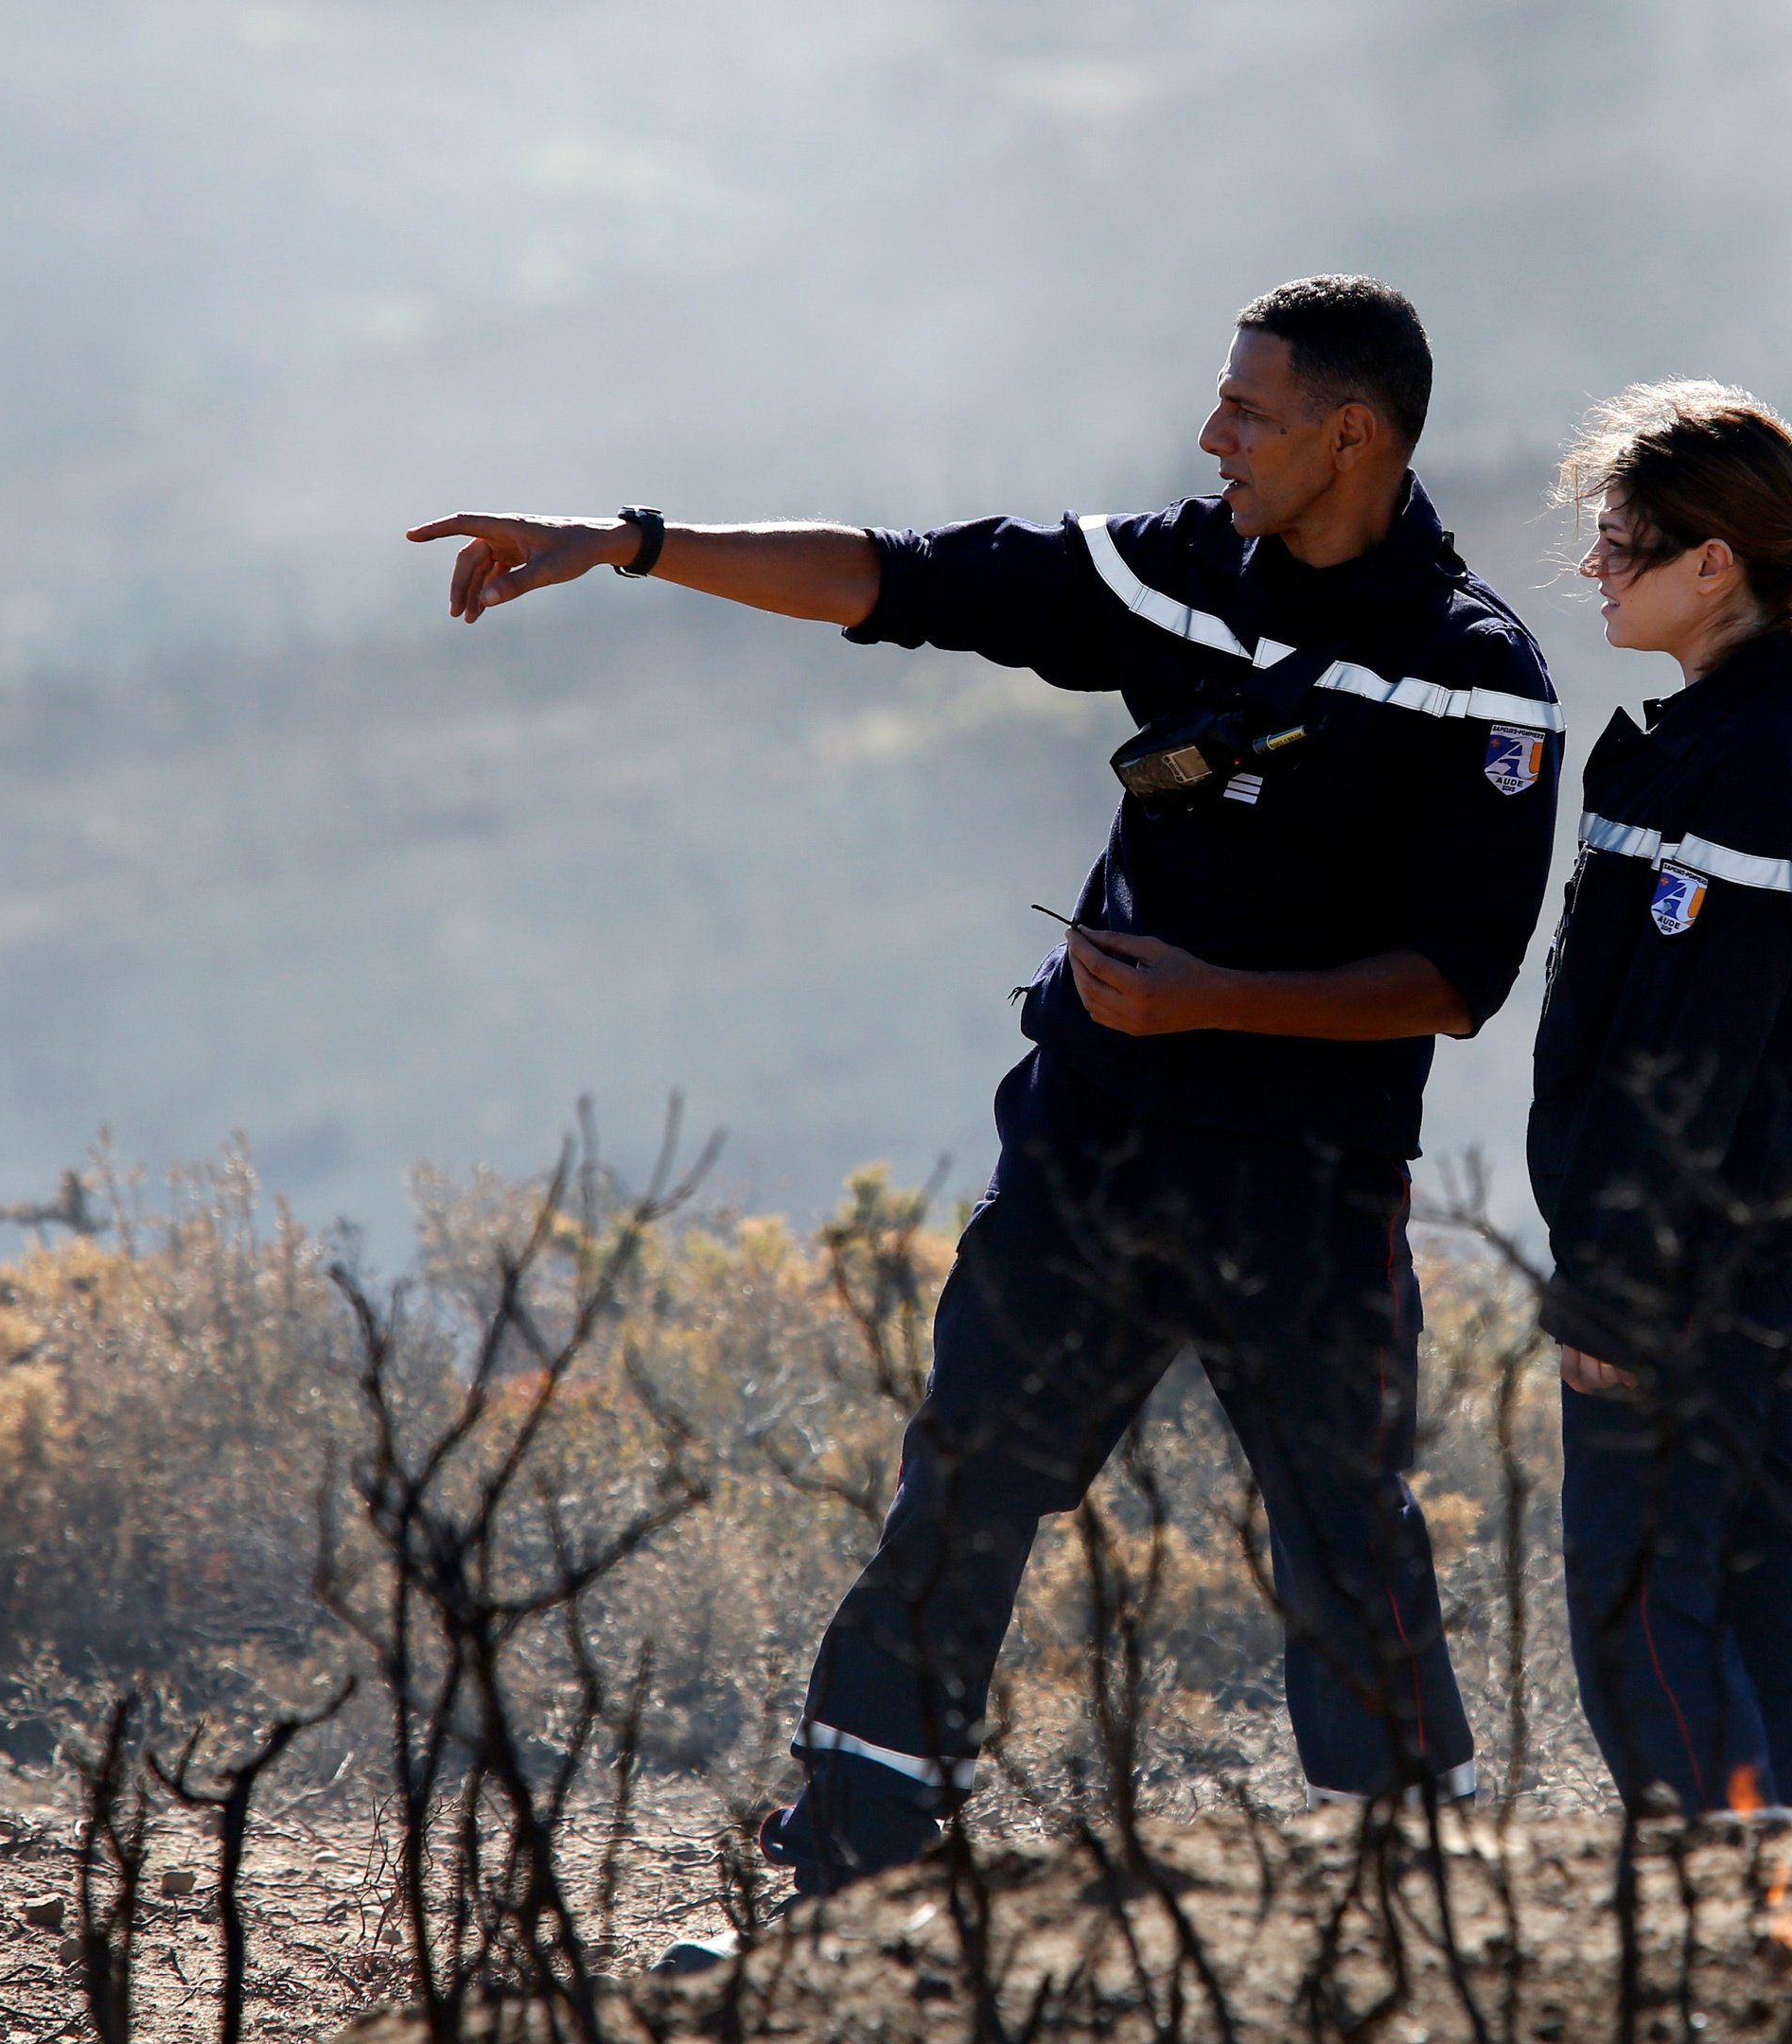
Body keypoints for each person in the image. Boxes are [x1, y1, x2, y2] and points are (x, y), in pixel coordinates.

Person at [408, 276, 1561, 1920]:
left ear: (1350, 434)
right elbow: (903, 579)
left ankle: (1415, 1894)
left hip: (1305, 1186)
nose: (1212, 434)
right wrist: (633, 540)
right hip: (1089, 1143)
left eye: (1248, 411)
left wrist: (1217, 1001)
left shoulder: (1479, 680)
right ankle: (849, 1878)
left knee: (1339, 1525)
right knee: (965, 1481)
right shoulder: (1175, 572)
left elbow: (1459, 976)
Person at [1524, 381, 1792, 1824]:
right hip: (1746, 1220)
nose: (1597, 568)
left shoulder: (1764, 764)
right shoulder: (1716, 736)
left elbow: (1693, 1051)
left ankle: (1728, 1897)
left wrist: (1616, 1288)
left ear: (1709, 564)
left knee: (1634, 1595)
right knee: (1747, 1559)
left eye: (1620, 541)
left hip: (1697, 1241)